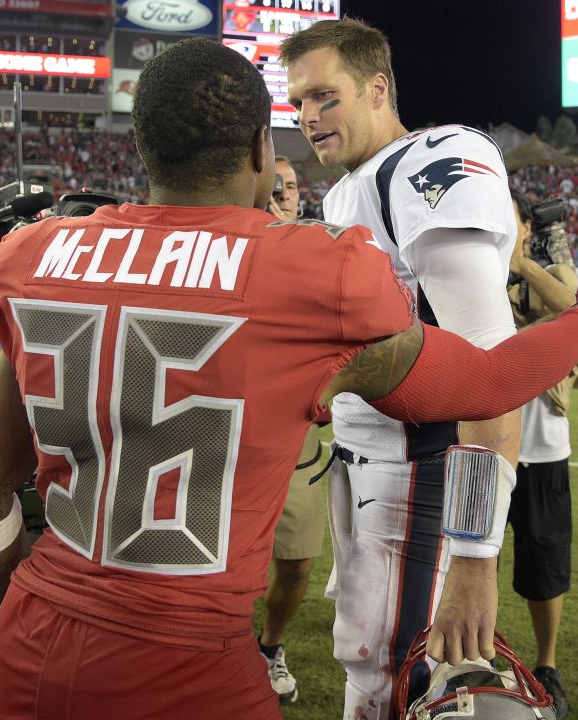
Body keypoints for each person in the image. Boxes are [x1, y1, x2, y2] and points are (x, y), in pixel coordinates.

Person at [0, 38, 578, 720]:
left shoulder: (33, 252)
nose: (308, 116)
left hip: (27, 647)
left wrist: (50, 607)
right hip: (190, 664)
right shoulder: (311, 270)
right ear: (259, 150)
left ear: (142, 147)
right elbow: (486, 381)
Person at [283, 19, 520, 719]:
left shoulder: (431, 160)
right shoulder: (347, 189)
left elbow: (489, 364)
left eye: (325, 96)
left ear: (377, 88)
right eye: (298, 102)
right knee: (370, 654)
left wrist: (476, 553)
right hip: (365, 460)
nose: (307, 117)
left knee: (399, 671)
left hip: (422, 466)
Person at [257, 153, 333, 705]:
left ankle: (269, 647)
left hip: (301, 443)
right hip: (231, 442)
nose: (281, 195)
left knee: (298, 562)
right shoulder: (232, 248)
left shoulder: (323, 253)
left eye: (289, 188)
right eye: (273, 186)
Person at [505, 192, 578, 720]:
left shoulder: (542, 271)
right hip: (480, 446)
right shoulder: (466, 269)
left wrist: (524, 263)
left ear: (527, 225)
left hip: (543, 448)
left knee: (545, 565)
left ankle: (547, 665)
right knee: (470, 559)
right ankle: (473, 655)